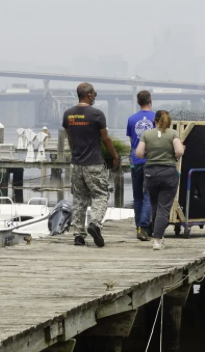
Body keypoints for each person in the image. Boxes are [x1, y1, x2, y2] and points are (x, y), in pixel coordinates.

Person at [61, 82, 119, 247]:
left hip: (76, 163)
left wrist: (74, 152)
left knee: (79, 199)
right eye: (94, 94)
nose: (95, 96)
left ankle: (78, 236)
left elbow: (70, 137)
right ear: (88, 95)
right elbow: (105, 139)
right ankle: (95, 224)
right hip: (94, 163)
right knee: (101, 195)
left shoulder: (68, 115)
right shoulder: (96, 115)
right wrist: (114, 156)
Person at [135, 109, 185, 250]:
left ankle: (159, 236)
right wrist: (174, 153)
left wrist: (151, 155)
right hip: (168, 172)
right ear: (169, 122)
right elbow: (179, 152)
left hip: (150, 172)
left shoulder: (147, 134)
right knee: (164, 208)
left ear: (154, 121)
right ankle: (157, 239)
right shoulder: (173, 133)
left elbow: (138, 153)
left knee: (155, 205)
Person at [126, 90, 155, 240]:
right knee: (148, 196)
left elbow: (132, 142)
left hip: (136, 161)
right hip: (151, 161)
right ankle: (144, 227)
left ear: (138, 102)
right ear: (150, 100)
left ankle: (139, 227)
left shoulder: (131, 119)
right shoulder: (157, 118)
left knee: (137, 197)